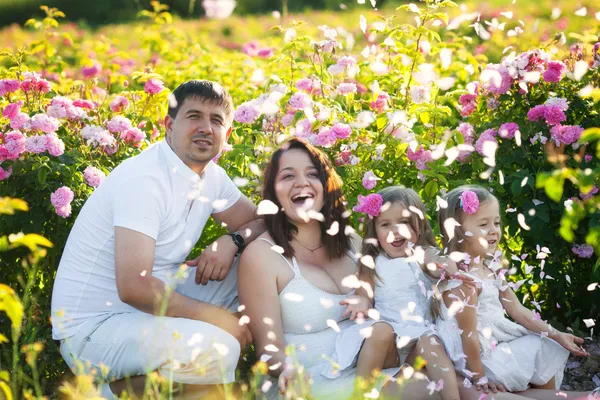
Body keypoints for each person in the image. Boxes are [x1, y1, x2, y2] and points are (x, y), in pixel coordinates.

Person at [51, 80, 264, 398]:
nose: (206, 128)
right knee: (217, 350)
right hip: (93, 328)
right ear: (169, 125)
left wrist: (231, 240)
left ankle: (287, 375)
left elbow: (261, 223)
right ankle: (90, 396)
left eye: (216, 120)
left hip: (149, 305)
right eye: (194, 116)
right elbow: (134, 287)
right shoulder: (145, 180)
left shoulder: (211, 177)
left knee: (261, 263)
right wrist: (220, 320)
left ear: (227, 134)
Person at [238, 139, 442, 399]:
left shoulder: (352, 242)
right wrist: (289, 369)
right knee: (428, 394)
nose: (302, 182)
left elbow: (403, 280)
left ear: (325, 187)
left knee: (449, 385)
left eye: (312, 174)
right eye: (288, 176)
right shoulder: (261, 256)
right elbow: (268, 350)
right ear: (273, 191)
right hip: (305, 379)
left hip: (374, 367)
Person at [434, 185, 593, 399]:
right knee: (538, 348)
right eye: (483, 224)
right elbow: (468, 336)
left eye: (496, 223)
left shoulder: (490, 268)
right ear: (457, 231)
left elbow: (518, 310)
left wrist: (557, 335)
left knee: (545, 344)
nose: (493, 230)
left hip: (493, 347)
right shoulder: (463, 282)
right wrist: (479, 377)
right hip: (478, 362)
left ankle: (547, 394)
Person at [322, 186, 471, 400]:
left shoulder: (422, 254)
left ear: (419, 226)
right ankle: (359, 394)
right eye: (385, 224)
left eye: (403, 222)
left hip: (416, 343)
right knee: (380, 330)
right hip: (388, 346)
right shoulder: (372, 262)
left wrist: (446, 267)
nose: (395, 230)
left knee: (431, 342)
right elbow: (364, 292)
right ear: (375, 231)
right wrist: (361, 302)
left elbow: (437, 262)